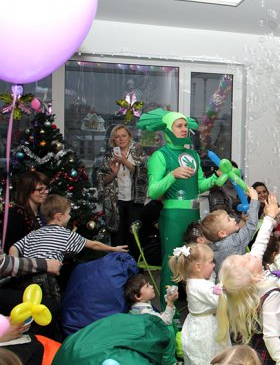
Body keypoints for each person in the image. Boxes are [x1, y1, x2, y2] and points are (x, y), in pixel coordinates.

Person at [137, 108, 219, 304]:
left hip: (193, 214)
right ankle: (169, 309)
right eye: (179, 126)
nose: (184, 129)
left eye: (185, 126)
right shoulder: (160, 155)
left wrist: (216, 178)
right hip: (173, 215)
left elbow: (199, 185)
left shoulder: (193, 155)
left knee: (194, 260)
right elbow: (153, 191)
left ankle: (195, 304)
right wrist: (172, 175)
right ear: (167, 129)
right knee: (172, 261)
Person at [216, 194, 280, 365]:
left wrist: (269, 217)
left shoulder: (250, 280)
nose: (249, 254)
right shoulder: (270, 295)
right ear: (253, 276)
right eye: (247, 258)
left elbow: (259, 244)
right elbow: (271, 337)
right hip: (275, 346)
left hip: (256, 337)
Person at [8, 195, 128, 301]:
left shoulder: (34, 233)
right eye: (68, 213)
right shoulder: (65, 234)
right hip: (46, 279)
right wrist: (113, 249)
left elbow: (13, 248)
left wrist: (15, 267)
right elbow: (93, 244)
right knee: (51, 307)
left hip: (25, 277)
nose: (70, 216)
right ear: (59, 216)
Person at [169, 242, 227, 364]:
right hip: (205, 327)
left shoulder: (193, 281)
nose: (214, 265)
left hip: (197, 323)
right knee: (210, 354)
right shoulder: (200, 286)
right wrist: (224, 287)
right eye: (211, 262)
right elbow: (219, 301)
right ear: (198, 267)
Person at [97, 124, 148, 248]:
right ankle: (118, 260)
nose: (121, 139)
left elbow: (143, 174)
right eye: (117, 137)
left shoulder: (139, 153)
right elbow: (102, 180)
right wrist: (114, 173)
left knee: (135, 237)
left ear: (129, 137)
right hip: (115, 202)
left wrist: (124, 161)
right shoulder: (109, 156)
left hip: (135, 201)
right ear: (113, 140)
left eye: (124, 135)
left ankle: (135, 261)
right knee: (118, 238)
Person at [201, 187, 260, 282]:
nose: (233, 219)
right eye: (228, 219)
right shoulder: (233, 242)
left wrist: (242, 222)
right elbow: (251, 226)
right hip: (238, 284)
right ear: (222, 233)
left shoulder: (214, 245)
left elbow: (233, 235)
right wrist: (254, 199)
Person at [2, 171, 49, 253]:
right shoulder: (15, 215)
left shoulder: (43, 213)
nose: (46, 192)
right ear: (27, 190)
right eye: (40, 189)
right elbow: (11, 249)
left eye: (46, 188)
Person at [252, 182, 280, 252]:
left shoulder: (272, 204)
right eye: (259, 193)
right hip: (256, 239)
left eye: (264, 191)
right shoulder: (251, 208)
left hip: (272, 236)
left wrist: (279, 228)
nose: (263, 194)